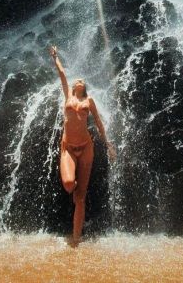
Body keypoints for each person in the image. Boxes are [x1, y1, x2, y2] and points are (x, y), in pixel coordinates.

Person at [49, 45, 116, 245]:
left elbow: (98, 123)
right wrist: (55, 57)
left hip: (86, 148)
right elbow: (62, 74)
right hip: (68, 148)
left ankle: (76, 238)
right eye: (77, 80)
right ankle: (76, 189)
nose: (79, 80)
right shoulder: (68, 96)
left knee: (80, 198)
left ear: (84, 87)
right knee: (69, 184)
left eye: (82, 80)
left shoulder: (89, 101)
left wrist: (108, 144)